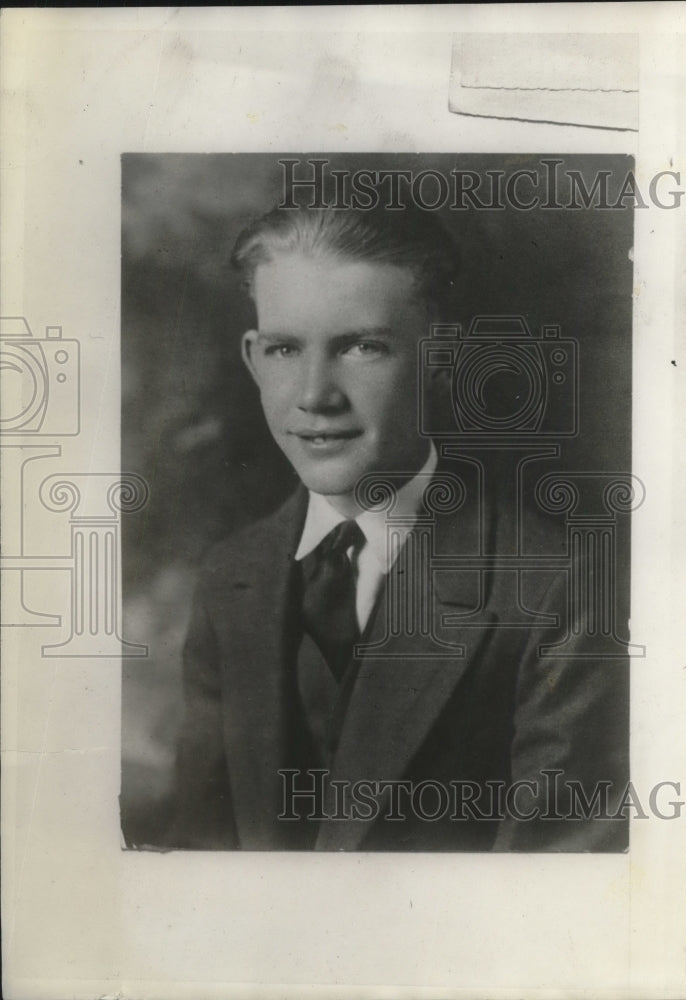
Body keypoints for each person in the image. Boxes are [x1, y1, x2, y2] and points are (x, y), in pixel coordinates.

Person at [169, 202, 629, 852]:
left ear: (441, 357)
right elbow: (195, 865)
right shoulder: (231, 576)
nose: (313, 395)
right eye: (283, 347)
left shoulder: (555, 587)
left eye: (362, 346)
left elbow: (554, 903)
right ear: (251, 358)